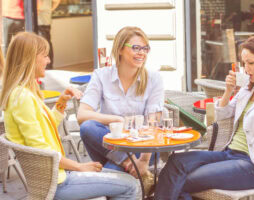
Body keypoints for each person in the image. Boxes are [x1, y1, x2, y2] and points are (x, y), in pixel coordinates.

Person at [0, 32, 137, 200]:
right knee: (129, 185)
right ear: (30, 59)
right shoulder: (22, 98)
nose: (49, 61)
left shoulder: (22, 94)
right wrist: (80, 166)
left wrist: (61, 104)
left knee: (117, 172)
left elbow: (44, 130)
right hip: (58, 183)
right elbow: (44, 152)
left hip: (58, 176)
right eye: (45, 56)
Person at [154, 35, 254, 200]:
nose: (246, 69)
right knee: (176, 161)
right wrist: (228, 91)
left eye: (251, 63)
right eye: (244, 63)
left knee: (181, 180)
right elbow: (221, 115)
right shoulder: (248, 88)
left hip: (253, 165)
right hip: (229, 154)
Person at [77, 26, 164, 178]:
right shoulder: (101, 76)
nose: (141, 53)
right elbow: (82, 115)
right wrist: (116, 120)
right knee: (88, 127)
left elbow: (153, 125)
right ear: (120, 49)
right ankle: (125, 163)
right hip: (110, 145)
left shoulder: (154, 79)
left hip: (144, 149)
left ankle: (117, 171)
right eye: (136, 48)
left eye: (145, 48)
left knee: (110, 177)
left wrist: (143, 161)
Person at [37, 0, 61, 69]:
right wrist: (50, 9)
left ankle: (47, 68)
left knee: (45, 47)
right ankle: (47, 67)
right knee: (46, 46)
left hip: (42, 24)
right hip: (44, 23)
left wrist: (49, 9)